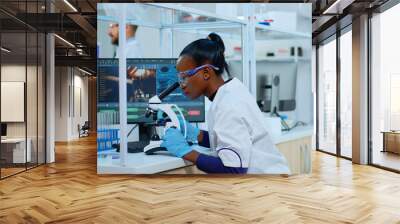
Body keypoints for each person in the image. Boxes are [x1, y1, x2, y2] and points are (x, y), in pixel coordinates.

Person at [160, 33, 290, 174]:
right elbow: (231, 142)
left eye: (184, 77)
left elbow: (233, 170)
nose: (181, 85)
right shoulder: (228, 93)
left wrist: (185, 151)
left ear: (206, 73)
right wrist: (196, 134)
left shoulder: (228, 105)